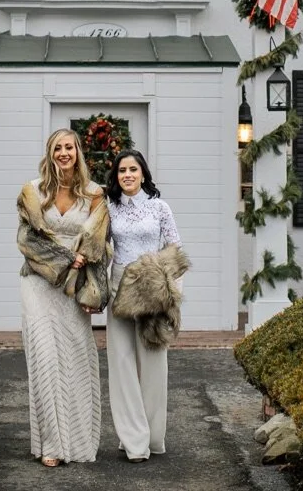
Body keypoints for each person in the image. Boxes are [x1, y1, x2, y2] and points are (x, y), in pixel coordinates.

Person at [16, 127, 111, 467]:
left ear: (77, 152)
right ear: (50, 152)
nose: (64, 153)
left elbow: (100, 245)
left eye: (69, 147)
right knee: (44, 358)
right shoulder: (32, 192)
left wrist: (91, 286)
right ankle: (51, 445)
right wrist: (67, 259)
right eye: (58, 148)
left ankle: (78, 440)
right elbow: (27, 242)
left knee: (74, 358)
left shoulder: (94, 194)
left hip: (73, 290)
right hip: (39, 286)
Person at [104, 148, 188, 463]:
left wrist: (171, 296)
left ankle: (153, 438)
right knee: (122, 366)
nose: (127, 175)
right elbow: (99, 247)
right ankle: (133, 441)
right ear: (116, 176)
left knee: (154, 366)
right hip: (119, 294)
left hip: (152, 295)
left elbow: (175, 249)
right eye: (122, 170)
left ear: (143, 174)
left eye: (133, 170)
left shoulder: (160, 208)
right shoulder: (109, 209)